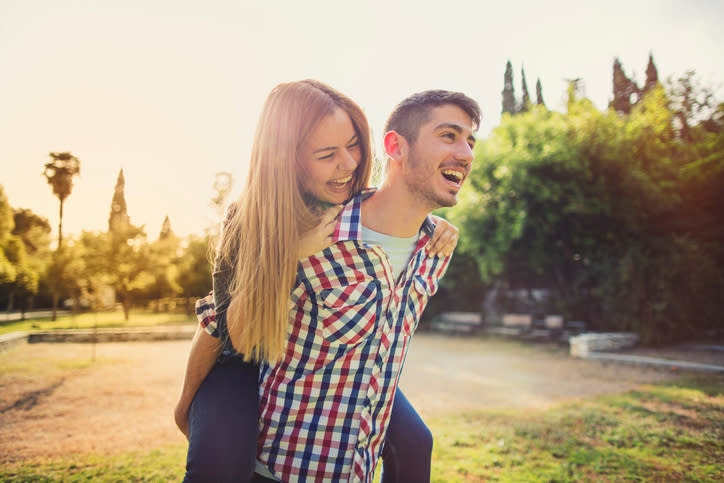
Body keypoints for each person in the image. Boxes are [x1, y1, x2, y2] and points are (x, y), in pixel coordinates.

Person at [174, 80, 466, 482]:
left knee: (416, 442)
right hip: (243, 354)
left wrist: (429, 221)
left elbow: (391, 209)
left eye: (354, 145)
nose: (348, 164)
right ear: (287, 160)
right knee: (218, 463)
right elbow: (219, 327)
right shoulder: (253, 218)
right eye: (327, 154)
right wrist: (185, 402)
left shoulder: (348, 205)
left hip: (330, 361)